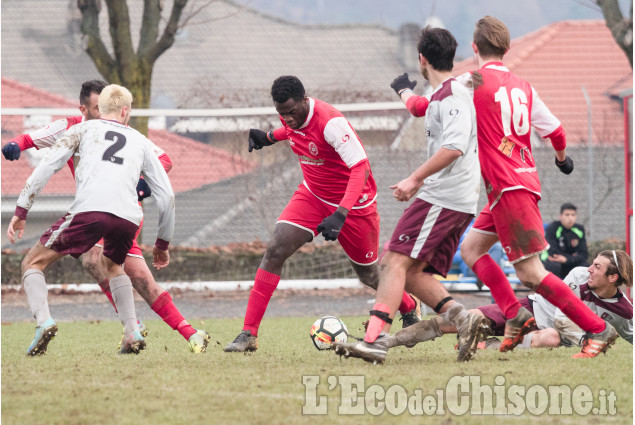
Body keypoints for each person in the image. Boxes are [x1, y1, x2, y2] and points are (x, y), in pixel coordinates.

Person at [2, 80, 210, 353]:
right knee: (116, 267)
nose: (100, 113)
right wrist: (163, 243)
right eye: (95, 107)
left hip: (93, 210)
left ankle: (44, 322)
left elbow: (45, 167)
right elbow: (30, 138)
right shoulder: (100, 131)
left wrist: (21, 211)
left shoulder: (83, 130)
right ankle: (154, 330)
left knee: (46, 261)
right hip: (126, 215)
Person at [454, 16, 617, 358]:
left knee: (531, 273)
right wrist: (561, 159)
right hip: (514, 186)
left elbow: (437, 106)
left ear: (474, 48)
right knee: (471, 249)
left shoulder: (472, 82)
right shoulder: (524, 87)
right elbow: (556, 132)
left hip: (509, 189)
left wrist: (410, 95)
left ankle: (597, 328)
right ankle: (515, 315)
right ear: (507, 48)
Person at [224, 75, 420, 352]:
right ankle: (248, 334)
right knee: (276, 249)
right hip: (313, 196)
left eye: (291, 112)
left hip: (355, 206)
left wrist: (341, 213)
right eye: (281, 114)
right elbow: (294, 131)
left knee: (369, 276)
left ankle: (409, 305)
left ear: (305, 100)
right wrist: (269, 137)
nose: (287, 119)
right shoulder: (289, 117)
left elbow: (360, 168)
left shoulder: (331, 123)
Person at [331, 27, 488, 365]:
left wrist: (415, 178)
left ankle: (373, 340)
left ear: (422, 59)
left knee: (393, 262)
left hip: (444, 196)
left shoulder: (453, 95)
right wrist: (402, 90)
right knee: (413, 273)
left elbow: (454, 147)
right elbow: (420, 106)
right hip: (450, 197)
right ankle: (465, 319)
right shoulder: (443, 93)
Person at [388, 250, 633, 350]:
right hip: (527, 309)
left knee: (550, 338)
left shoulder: (623, 311)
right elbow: (561, 318)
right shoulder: (579, 275)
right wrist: (584, 339)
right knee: (462, 319)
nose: (589, 269)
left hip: (547, 331)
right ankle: (390, 341)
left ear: (613, 277)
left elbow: (631, 334)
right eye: (592, 264)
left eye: (597, 267)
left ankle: (489, 345)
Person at [541, 203, 589, 279]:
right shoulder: (553, 228)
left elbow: (584, 254)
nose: (570, 218)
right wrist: (571, 257)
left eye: (573, 215)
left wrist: (567, 259)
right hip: (549, 260)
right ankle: (555, 290)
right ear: (560, 216)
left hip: (568, 261)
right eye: (567, 215)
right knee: (555, 266)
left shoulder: (579, 229)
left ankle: (579, 290)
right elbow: (553, 252)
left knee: (585, 266)